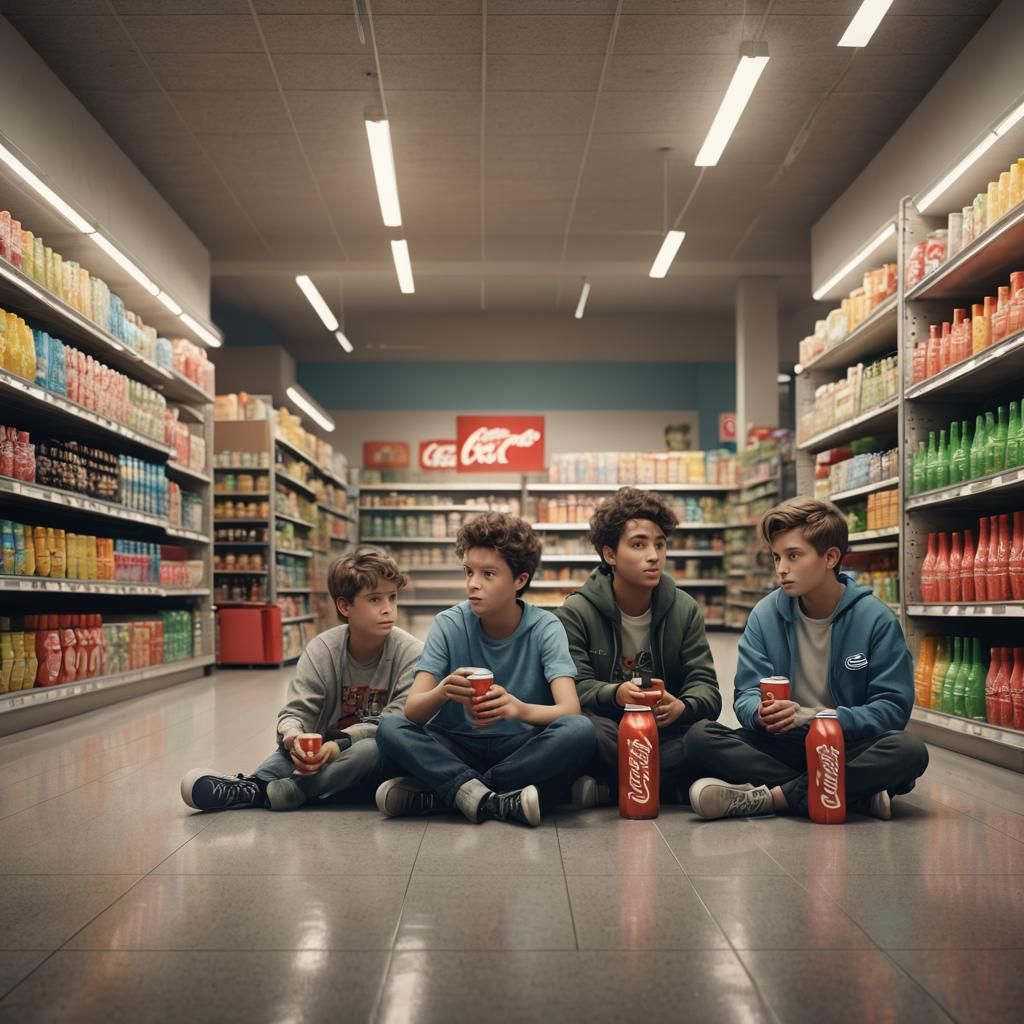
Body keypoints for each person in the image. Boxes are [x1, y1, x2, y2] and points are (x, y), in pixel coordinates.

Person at [685, 497, 929, 820]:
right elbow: (744, 695)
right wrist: (761, 713)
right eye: (776, 557)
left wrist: (818, 717)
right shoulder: (764, 615)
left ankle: (773, 798)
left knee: (909, 751)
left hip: (846, 744)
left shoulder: (876, 620)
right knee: (700, 737)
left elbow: (892, 709)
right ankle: (852, 792)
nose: (781, 568)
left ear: (830, 557)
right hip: (784, 745)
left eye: (793, 555)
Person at [374, 512, 595, 828]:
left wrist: (518, 709)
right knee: (389, 728)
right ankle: (502, 799)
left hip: (520, 747)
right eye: (468, 572)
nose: (473, 584)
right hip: (456, 743)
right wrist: (442, 692)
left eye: (488, 574)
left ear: (520, 580)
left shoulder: (546, 627)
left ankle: (455, 791)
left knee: (580, 731)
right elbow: (413, 713)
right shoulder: (449, 624)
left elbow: (570, 710)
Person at [180, 548, 422, 812]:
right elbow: (297, 711)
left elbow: (396, 722)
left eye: (392, 598)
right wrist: (294, 737)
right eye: (375, 599)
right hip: (322, 758)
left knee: (370, 749)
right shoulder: (323, 650)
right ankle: (256, 787)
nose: (388, 609)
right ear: (344, 606)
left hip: (379, 767)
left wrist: (338, 746)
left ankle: (273, 791)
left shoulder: (410, 653)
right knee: (290, 753)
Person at [553, 486, 722, 806]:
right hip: (610, 730)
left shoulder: (684, 609)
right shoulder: (576, 612)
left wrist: (681, 707)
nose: (653, 556)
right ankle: (667, 785)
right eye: (638, 544)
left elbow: (707, 688)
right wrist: (616, 694)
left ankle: (610, 787)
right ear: (610, 554)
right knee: (580, 729)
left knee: (705, 736)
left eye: (660, 544)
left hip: (663, 732)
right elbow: (574, 688)